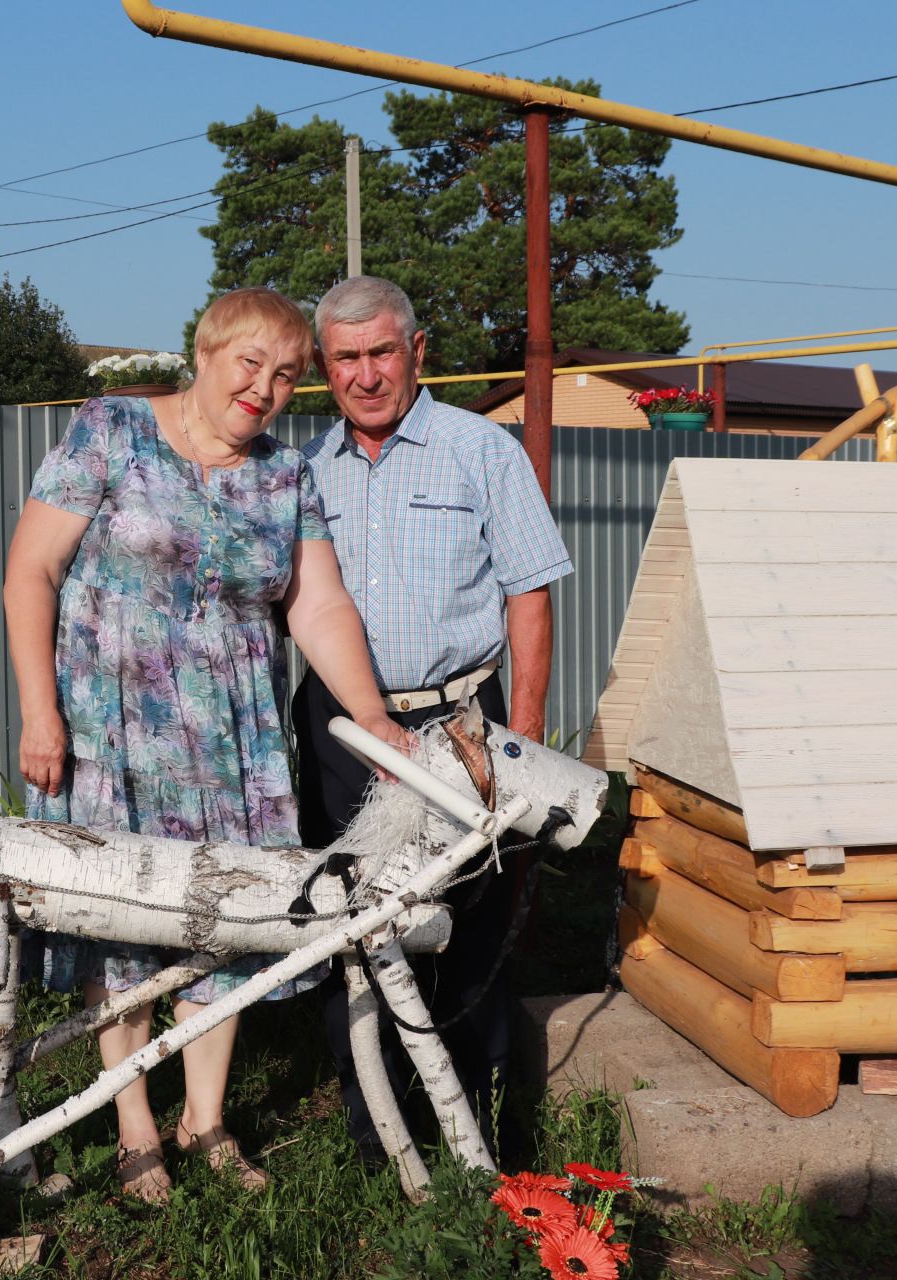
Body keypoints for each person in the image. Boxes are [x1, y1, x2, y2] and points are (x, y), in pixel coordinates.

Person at [3, 286, 410, 1205]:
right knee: (121, 927)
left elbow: (318, 604)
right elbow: (31, 569)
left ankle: (207, 1118)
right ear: (205, 350)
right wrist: (40, 711)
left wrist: (374, 716)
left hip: (236, 740)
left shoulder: (283, 476)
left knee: (225, 923)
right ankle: (134, 1124)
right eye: (249, 364)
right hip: (110, 731)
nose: (264, 389)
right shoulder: (111, 431)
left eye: (285, 376)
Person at [293, 275, 574, 1164]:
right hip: (342, 730)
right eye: (346, 358)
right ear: (323, 367)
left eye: (382, 352)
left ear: (418, 352)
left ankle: (483, 1121)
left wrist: (515, 740)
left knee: (469, 916)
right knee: (351, 920)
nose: (366, 375)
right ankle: (376, 1129)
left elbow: (530, 593)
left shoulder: (479, 450)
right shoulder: (305, 469)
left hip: (460, 721)